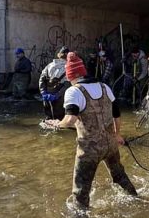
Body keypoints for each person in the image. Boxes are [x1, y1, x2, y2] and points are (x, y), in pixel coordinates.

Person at [46, 52, 137, 209]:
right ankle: (136, 197)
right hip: (110, 145)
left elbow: (70, 120)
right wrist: (117, 134)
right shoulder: (105, 87)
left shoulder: (74, 91)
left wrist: (56, 124)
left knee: (80, 191)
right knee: (119, 176)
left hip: (89, 150)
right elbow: (117, 114)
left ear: (70, 75)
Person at [39, 46, 70, 120]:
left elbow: (41, 79)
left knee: (48, 118)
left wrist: (43, 92)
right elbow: (67, 85)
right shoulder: (68, 67)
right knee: (60, 119)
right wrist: (57, 95)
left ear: (59, 55)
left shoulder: (49, 65)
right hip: (60, 96)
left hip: (47, 95)